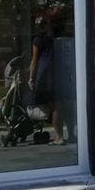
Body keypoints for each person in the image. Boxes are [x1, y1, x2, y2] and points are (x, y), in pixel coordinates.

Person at [29, 13, 64, 145]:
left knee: (54, 106)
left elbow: (35, 60)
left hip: (45, 75)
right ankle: (67, 133)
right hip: (57, 71)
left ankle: (59, 137)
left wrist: (31, 78)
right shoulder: (54, 38)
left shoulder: (38, 40)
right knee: (59, 104)